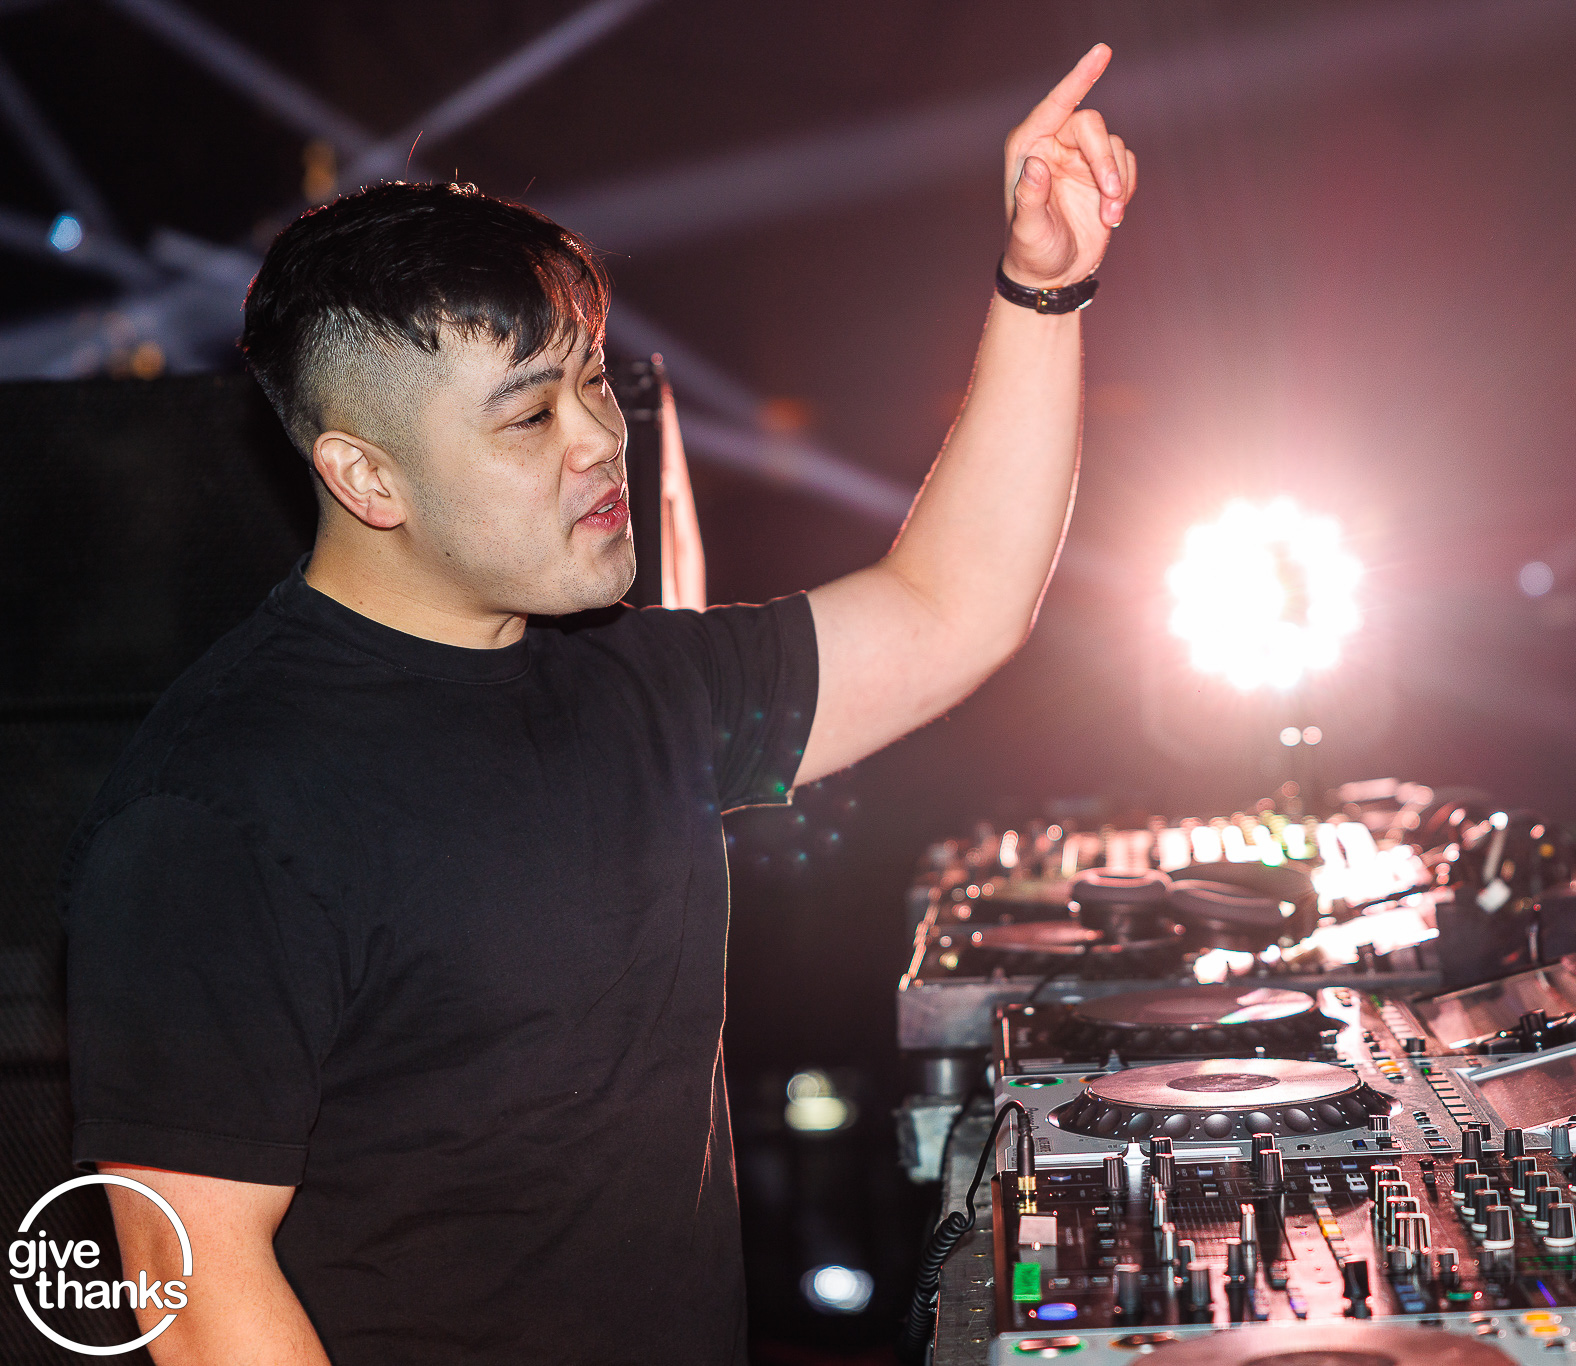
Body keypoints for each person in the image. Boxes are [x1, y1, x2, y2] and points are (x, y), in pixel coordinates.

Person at [59, 45, 1133, 1365]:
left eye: (593, 378)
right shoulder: (216, 809)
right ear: (365, 477)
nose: (598, 437)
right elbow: (194, 1283)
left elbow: (950, 609)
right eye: (529, 418)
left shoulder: (631, 678)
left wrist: (1044, 285)